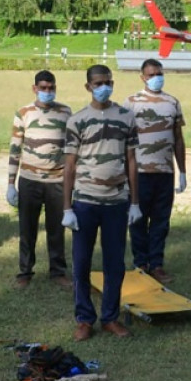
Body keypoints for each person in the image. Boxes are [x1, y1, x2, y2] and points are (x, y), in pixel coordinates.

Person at [62, 64, 141, 341]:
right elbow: (69, 165)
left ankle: (110, 317)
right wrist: (67, 207)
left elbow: (132, 160)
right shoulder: (77, 120)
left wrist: (134, 202)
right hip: (85, 201)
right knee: (81, 263)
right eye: (98, 82)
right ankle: (84, 319)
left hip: (116, 202)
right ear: (88, 87)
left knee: (114, 263)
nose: (104, 86)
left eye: (108, 81)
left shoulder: (126, 117)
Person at [7, 70, 72, 290]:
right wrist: (10, 183)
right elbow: (15, 148)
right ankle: (25, 272)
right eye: (42, 88)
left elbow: (72, 147)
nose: (47, 91)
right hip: (29, 180)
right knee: (27, 228)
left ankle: (58, 272)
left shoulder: (65, 112)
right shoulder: (23, 113)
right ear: (34, 88)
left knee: (56, 229)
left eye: (51, 88)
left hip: (57, 180)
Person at [123, 59, 186, 284]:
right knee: (137, 220)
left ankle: (157, 264)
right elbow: (123, 139)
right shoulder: (131, 103)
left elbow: (178, 138)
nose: (156, 77)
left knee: (161, 220)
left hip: (164, 172)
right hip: (138, 172)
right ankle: (141, 263)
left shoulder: (172, 102)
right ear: (142, 77)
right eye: (151, 74)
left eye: (159, 73)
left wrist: (182, 171)